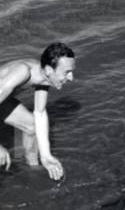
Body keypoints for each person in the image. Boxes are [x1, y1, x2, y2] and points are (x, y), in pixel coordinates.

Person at [0, 42, 76, 181]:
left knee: (32, 126)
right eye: (67, 72)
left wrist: (46, 156)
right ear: (49, 70)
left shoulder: (44, 77)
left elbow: (39, 113)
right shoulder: (22, 72)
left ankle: (31, 168)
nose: (71, 78)